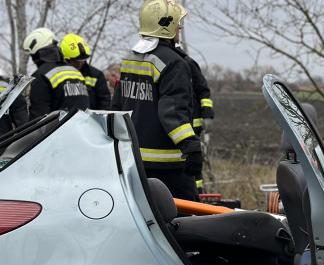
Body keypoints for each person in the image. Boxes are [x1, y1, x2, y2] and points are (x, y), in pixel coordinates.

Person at [112, 0, 201, 201]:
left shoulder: (130, 59)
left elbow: (116, 106)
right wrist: (191, 145)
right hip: (168, 165)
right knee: (189, 220)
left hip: (133, 159)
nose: (179, 28)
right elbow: (172, 112)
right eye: (177, 23)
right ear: (166, 26)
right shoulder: (174, 63)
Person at [23, 28, 89, 119]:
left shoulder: (41, 76)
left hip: (58, 132)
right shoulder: (76, 72)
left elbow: (39, 117)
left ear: (36, 53)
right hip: (83, 130)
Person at [174, 44, 214, 192]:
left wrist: (207, 115)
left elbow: (203, 90)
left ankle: (198, 192)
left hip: (192, 125)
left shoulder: (189, 64)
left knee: (193, 161)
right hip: (177, 124)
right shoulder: (170, 65)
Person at [59, 33, 111, 110]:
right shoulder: (56, 76)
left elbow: (104, 105)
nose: (80, 63)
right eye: (76, 61)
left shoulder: (95, 76)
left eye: (83, 60)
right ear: (65, 59)